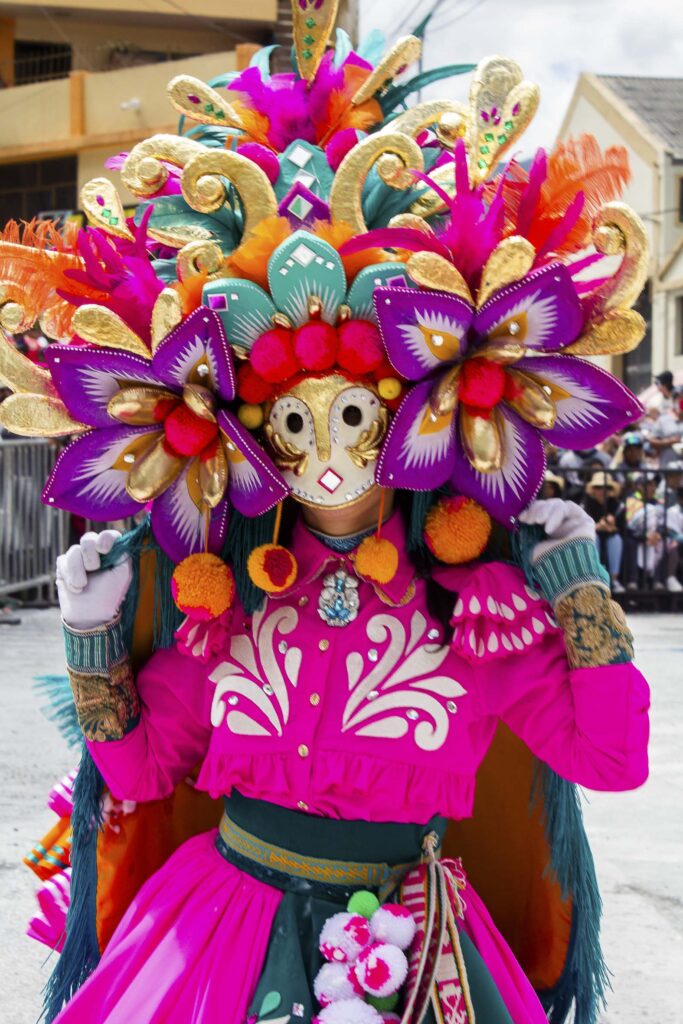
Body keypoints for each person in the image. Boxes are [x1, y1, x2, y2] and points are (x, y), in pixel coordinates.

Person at [0, 15, 651, 1024]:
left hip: (409, 956)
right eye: (291, 422)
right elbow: (138, 767)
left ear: (411, 417)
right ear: (255, 432)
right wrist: (92, 629)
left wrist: (577, 588)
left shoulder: (477, 610)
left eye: (353, 413)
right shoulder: (223, 599)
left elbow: (609, 761)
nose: (326, 452)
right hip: (220, 934)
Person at [583, 473, 624, 592]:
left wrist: (612, 526)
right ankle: (594, 579)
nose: (602, 491)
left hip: (610, 535)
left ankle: (614, 579)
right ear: (593, 490)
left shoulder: (616, 504)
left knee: (616, 539)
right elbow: (582, 526)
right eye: (598, 487)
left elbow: (622, 527)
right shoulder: (586, 504)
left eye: (606, 488)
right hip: (593, 535)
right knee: (593, 538)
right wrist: (597, 526)